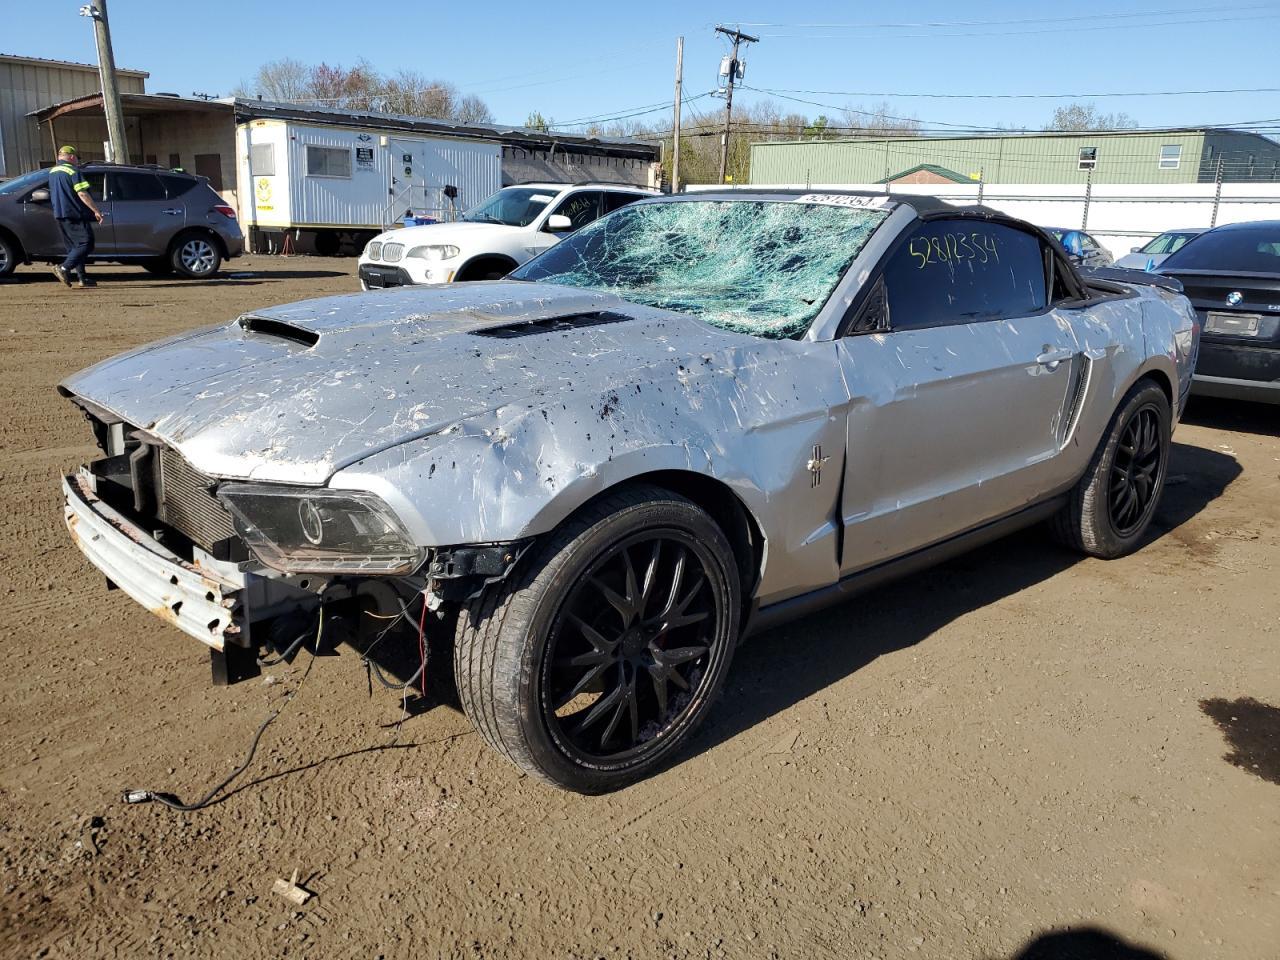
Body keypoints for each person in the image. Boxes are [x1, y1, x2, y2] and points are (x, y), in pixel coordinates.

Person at [48, 145, 104, 288]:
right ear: (72, 157)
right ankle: (63, 268)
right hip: (74, 213)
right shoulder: (73, 171)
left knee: (74, 247)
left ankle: (82, 278)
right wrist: (96, 210)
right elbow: (82, 193)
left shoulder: (53, 171)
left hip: (59, 214)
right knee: (86, 243)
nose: (77, 162)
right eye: (76, 159)